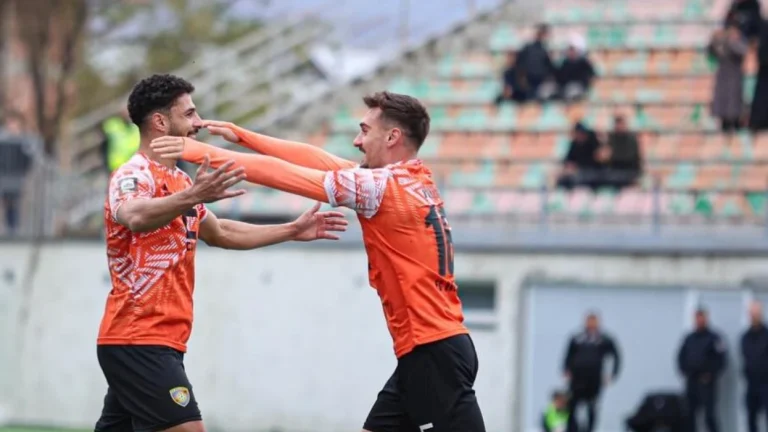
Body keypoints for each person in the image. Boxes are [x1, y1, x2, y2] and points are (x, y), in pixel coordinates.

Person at [150, 91, 486, 432]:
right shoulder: (410, 179)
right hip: (430, 348)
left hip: (432, 351)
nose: (356, 141)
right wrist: (244, 136)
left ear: (392, 137)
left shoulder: (380, 186)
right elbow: (319, 159)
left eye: (364, 130)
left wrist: (192, 150)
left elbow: (284, 174)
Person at [94, 74, 348, 432]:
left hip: (158, 339)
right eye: (189, 114)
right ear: (161, 122)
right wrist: (193, 196)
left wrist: (291, 230)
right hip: (137, 337)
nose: (198, 123)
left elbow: (221, 232)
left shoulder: (181, 181)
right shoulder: (133, 174)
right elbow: (134, 216)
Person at [562, 312, 621, 432]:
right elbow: (568, 355)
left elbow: (616, 356)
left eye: (594, 321)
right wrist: (566, 370)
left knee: (592, 407)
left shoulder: (604, 339)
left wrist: (613, 374)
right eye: (589, 321)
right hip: (577, 378)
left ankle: (589, 430)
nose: (591, 324)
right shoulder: (577, 338)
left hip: (594, 379)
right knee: (571, 405)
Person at [677, 308, 727, 432]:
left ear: (706, 319)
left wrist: (711, 374)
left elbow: (721, 360)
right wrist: (685, 371)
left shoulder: (714, 338)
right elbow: (681, 357)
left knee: (709, 416)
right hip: (692, 382)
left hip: (707, 384)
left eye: (702, 318)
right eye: (697, 318)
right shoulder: (689, 338)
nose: (699, 321)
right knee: (690, 415)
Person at [708, 21, 749, 133]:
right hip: (723, 75)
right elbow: (713, 52)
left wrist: (734, 40)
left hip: (735, 76)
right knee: (724, 102)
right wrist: (716, 39)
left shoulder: (738, 40)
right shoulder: (721, 41)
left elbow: (743, 51)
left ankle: (735, 123)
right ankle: (725, 124)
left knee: (735, 103)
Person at [741, 301, 768, 432]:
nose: (754, 316)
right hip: (752, 382)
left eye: (756, 313)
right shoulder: (745, 337)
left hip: (766, 383)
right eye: (752, 314)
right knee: (751, 418)